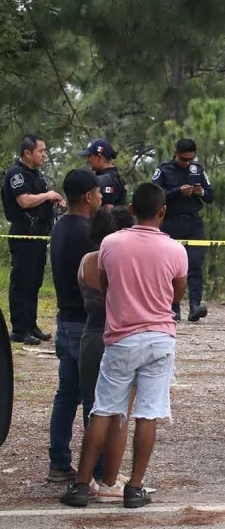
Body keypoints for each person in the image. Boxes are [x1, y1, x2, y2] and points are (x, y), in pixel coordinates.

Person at [60, 183, 188, 508]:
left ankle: (80, 485)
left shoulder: (110, 244)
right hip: (159, 338)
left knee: (103, 409)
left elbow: (107, 287)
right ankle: (134, 487)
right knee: (148, 413)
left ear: (131, 209)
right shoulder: (176, 250)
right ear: (163, 211)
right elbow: (176, 295)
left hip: (120, 338)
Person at [47, 169, 103, 484]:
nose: (101, 196)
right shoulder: (88, 233)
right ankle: (95, 470)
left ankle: (59, 462)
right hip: (85, 322)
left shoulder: (59, 227)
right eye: (98, 192)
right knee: (94, 398)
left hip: (64, 319)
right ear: (88, 197)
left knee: (66, 394)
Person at [77, 206, 137, 503]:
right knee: (119, 415)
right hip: (117, 338)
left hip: (90, 337)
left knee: (95, 409)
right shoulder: (122, 263)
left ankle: (85, 478)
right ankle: (108, 479)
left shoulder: (87, 261)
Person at [1, 134, 63, 345]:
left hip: (38, 234)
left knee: (34, 281)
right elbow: (24, 201)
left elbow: (39, 200)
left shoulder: (36, 175)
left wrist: (53, 201)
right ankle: (19, 329)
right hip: (24, 233)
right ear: (27, 153)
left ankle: (31, 325)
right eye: (41, 151)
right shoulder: (16, 174)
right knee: (22, 282)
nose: (44, 155)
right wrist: (48, 195)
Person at [152, 138, 213, 322]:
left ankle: (195, 306)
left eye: (190, 159)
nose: (187, 163)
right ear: (175, 152)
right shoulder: (163, 170)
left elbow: (211, 196)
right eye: (183, 159)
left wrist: (201, 192)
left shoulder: (198, 170)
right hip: (170, 222)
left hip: (193, 223)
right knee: (170, 266)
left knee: (195, 264)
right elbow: (154, 195)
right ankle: (173, 308)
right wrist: (178, 192)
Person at [79, 139, 127, 208]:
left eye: (89, 156)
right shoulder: (112, 177)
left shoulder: (107, 180)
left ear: (99, 157)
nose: (88, 160)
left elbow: (107, 211)